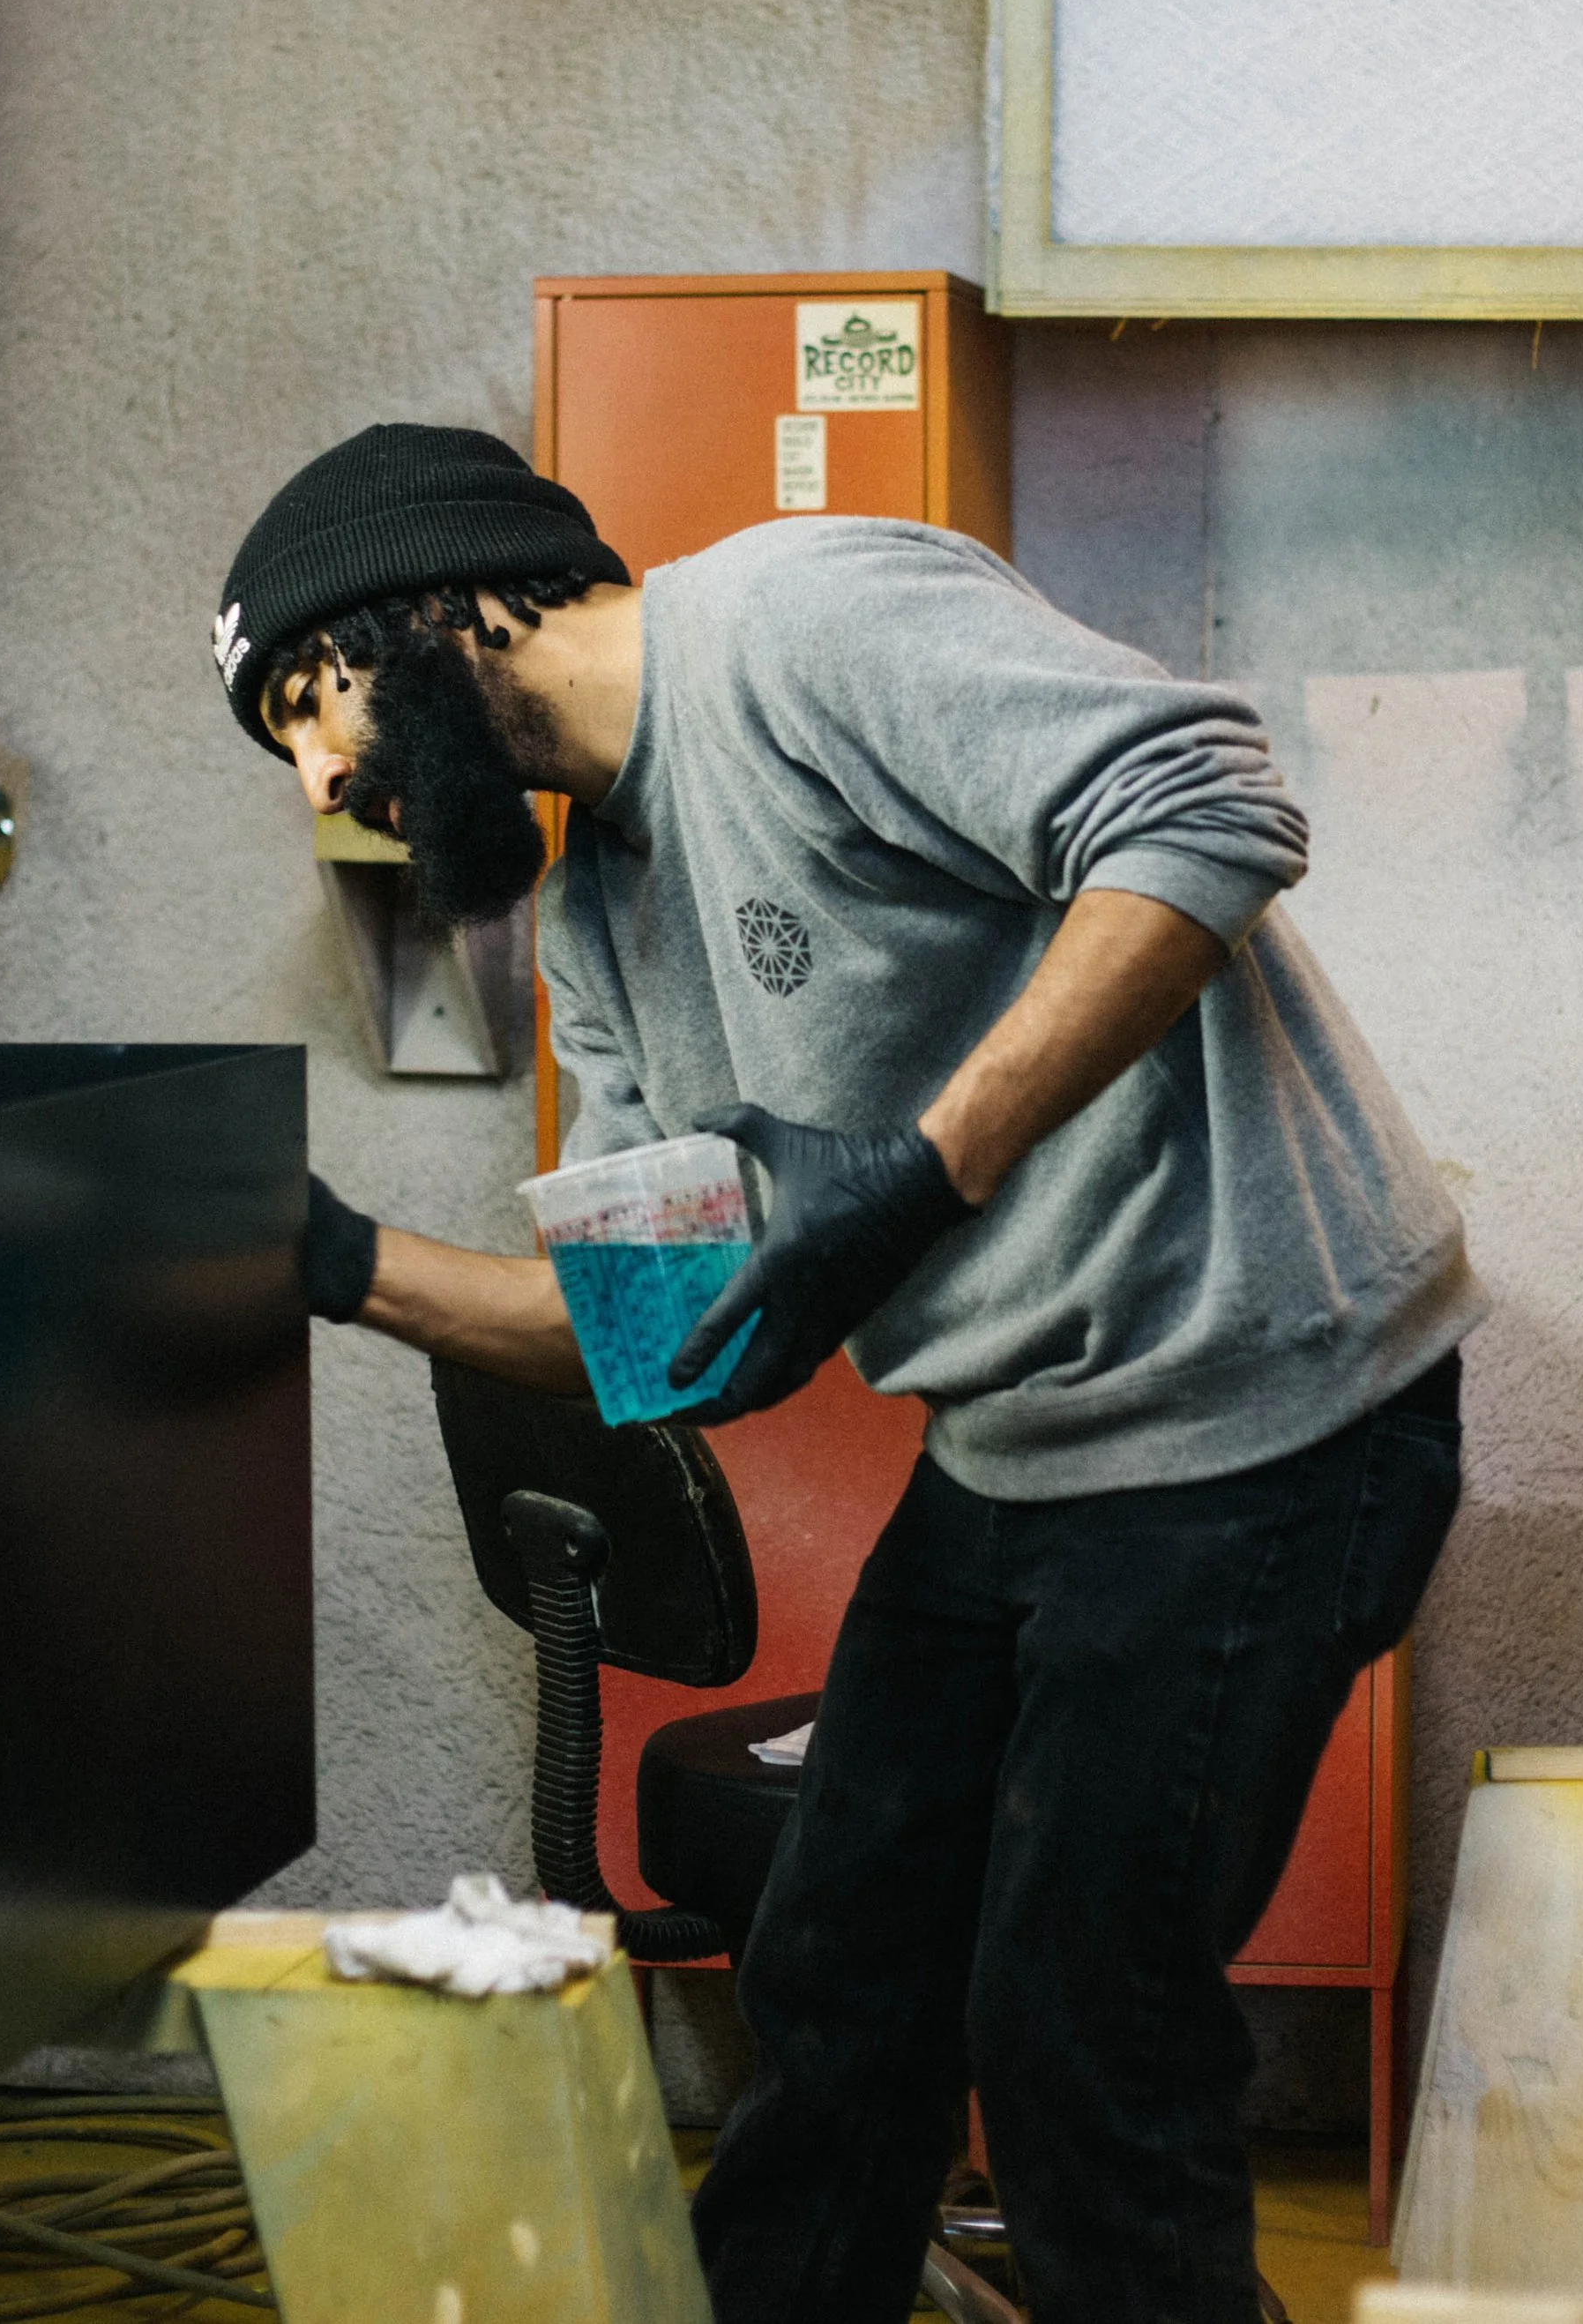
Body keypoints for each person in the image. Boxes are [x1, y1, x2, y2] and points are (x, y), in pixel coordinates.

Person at [214, 421, 1487, 2324]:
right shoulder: (595, 916)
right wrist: (333, 1264)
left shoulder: (798, 621)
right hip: (1017, 1457)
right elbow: (655, 1341)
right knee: (836, 1981)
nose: (320, 774)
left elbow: (1206, 806)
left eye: (308, 703)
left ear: (433, 610)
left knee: (1082, 2041)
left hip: (1262, 1417)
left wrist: (920, 1167)